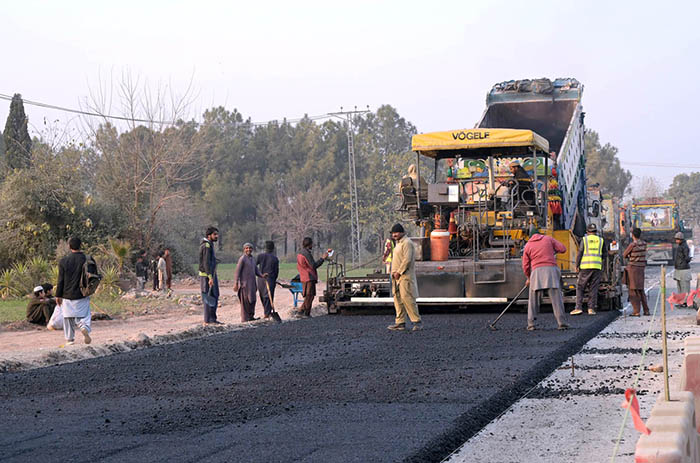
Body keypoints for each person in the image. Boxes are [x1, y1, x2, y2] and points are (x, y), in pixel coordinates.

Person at [522, 233, 569, 331]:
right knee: (557, 299)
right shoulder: (548, 239)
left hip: (536, 272)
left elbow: (525, 265)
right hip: (551, 271)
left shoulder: (528, 245)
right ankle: (562, 323)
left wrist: (528, 277)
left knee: (533, 300)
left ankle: (531, 324)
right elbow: (563, 249)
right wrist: (553, 250)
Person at [56, 237, 92, 345]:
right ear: (80, 246)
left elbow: (60, 280)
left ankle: (69, 339)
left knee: (68, 317)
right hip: (82, 293)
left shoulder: (63, 261)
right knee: (84, 314)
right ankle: (83, 326)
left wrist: (58, 295)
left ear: (69, 246)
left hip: (66, 294)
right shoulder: (87, 259)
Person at [387, 223, 422, 331]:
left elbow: (407, 260)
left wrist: (399, 272)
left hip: (404, 276)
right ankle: (400, 322)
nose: (394, 235)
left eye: (396, 233)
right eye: (393, 233)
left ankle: (417, 322)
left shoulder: (407, 243)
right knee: (398, 299)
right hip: (396, 276)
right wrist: (393, 273)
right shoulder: (398, 243)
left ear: (402, 232)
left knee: (407, 299)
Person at [572, 223, 603, 316]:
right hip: (597, 267)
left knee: (580, 287)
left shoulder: (584, 240)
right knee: (593, 288)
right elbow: (604, 255)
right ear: (596, 231)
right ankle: (591, 309)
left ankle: (578, 308)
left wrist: (577, 265)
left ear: (587, 232)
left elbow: (580, 252)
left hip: (585, 267)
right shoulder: (601, 240)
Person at [296, 237, 329, 318]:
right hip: (309, 277)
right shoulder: (306, 254)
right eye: (311, 244)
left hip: (304, 277)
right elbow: (314, 265)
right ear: (309, 244)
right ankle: (304, 313)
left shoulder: (300, 253)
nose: (312, 246)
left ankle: (303, 312)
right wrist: (322, 259)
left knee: (309, 295)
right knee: (309, 295)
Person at [234, 243, 266, 322]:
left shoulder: (252, 259)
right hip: (244, 285)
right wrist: (236, 283)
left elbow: (256, 270)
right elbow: (237, 272)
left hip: (252, 284)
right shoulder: (242, 259)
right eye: (247, 248)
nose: (248, 250)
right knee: (245, 302)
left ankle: (251, 317)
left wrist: (262, 275)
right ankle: (245, 319)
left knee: (252, 300)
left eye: (250, 248)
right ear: (244, 249)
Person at [623, 227, 650, 316]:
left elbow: (624, 255)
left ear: (633, 235)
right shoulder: (644, 244)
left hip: (633, 269)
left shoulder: (633, 245)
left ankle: (636, 311)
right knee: (641, 290)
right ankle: (646, 310)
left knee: (633, 290)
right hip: (641, 268)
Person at [199, 227, 221, 325]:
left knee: (215, 295)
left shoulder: (210, 245)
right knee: (208, 297)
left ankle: (213, 319)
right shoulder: (206, 246)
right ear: (209, 236)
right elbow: (205, 262)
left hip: (211, 274)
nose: (217, 236)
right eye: (214, 234)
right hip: (207, 276)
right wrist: (210, 277)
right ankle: (207, 320)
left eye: (217, 234)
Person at [256, 241, 280, 320]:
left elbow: (254, 265)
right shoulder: (275, 259)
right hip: (270, 279)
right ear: (273, 248)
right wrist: (274, 279)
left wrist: (259, 273)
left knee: (263, 296)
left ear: (265, 248)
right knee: (268, 297)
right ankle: (267, 313)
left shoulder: (260, 256)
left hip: (260, 279)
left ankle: (267, 312)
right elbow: (276, 271)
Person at [673, 231, 692, 307]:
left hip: (684, 270)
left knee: (685, 288)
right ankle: (681, 302)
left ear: (680, 239)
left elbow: (686, 258)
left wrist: (688, 259)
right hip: (679, 269)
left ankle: (685, 302)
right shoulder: (680, 246)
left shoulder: (684, 247)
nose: (676, 241)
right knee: (680, 287)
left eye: (677, 239)